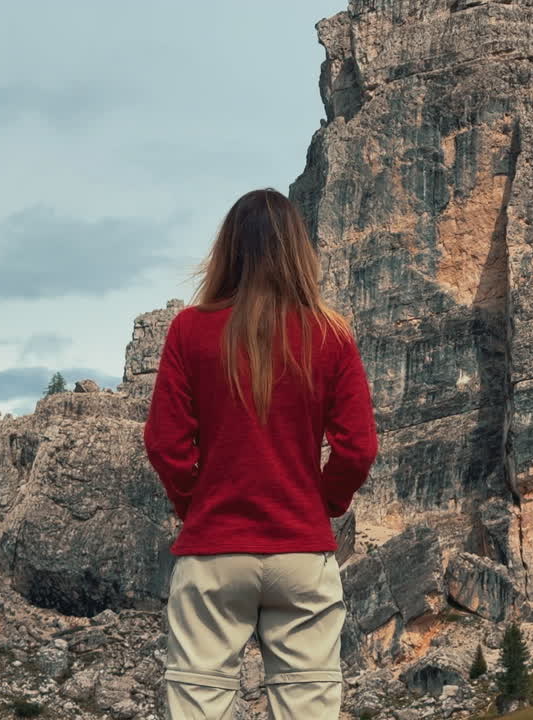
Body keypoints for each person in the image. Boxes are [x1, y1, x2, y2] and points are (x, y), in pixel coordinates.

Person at [145, 188, 379, 719]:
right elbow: (358, 447)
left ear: (228, 249)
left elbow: (164, 443)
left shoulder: (189, 330)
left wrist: (196, 505)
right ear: (299, 250)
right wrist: (323, 502)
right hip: (300, 550)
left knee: (198, 705)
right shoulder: (330, 333)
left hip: (213, 553)